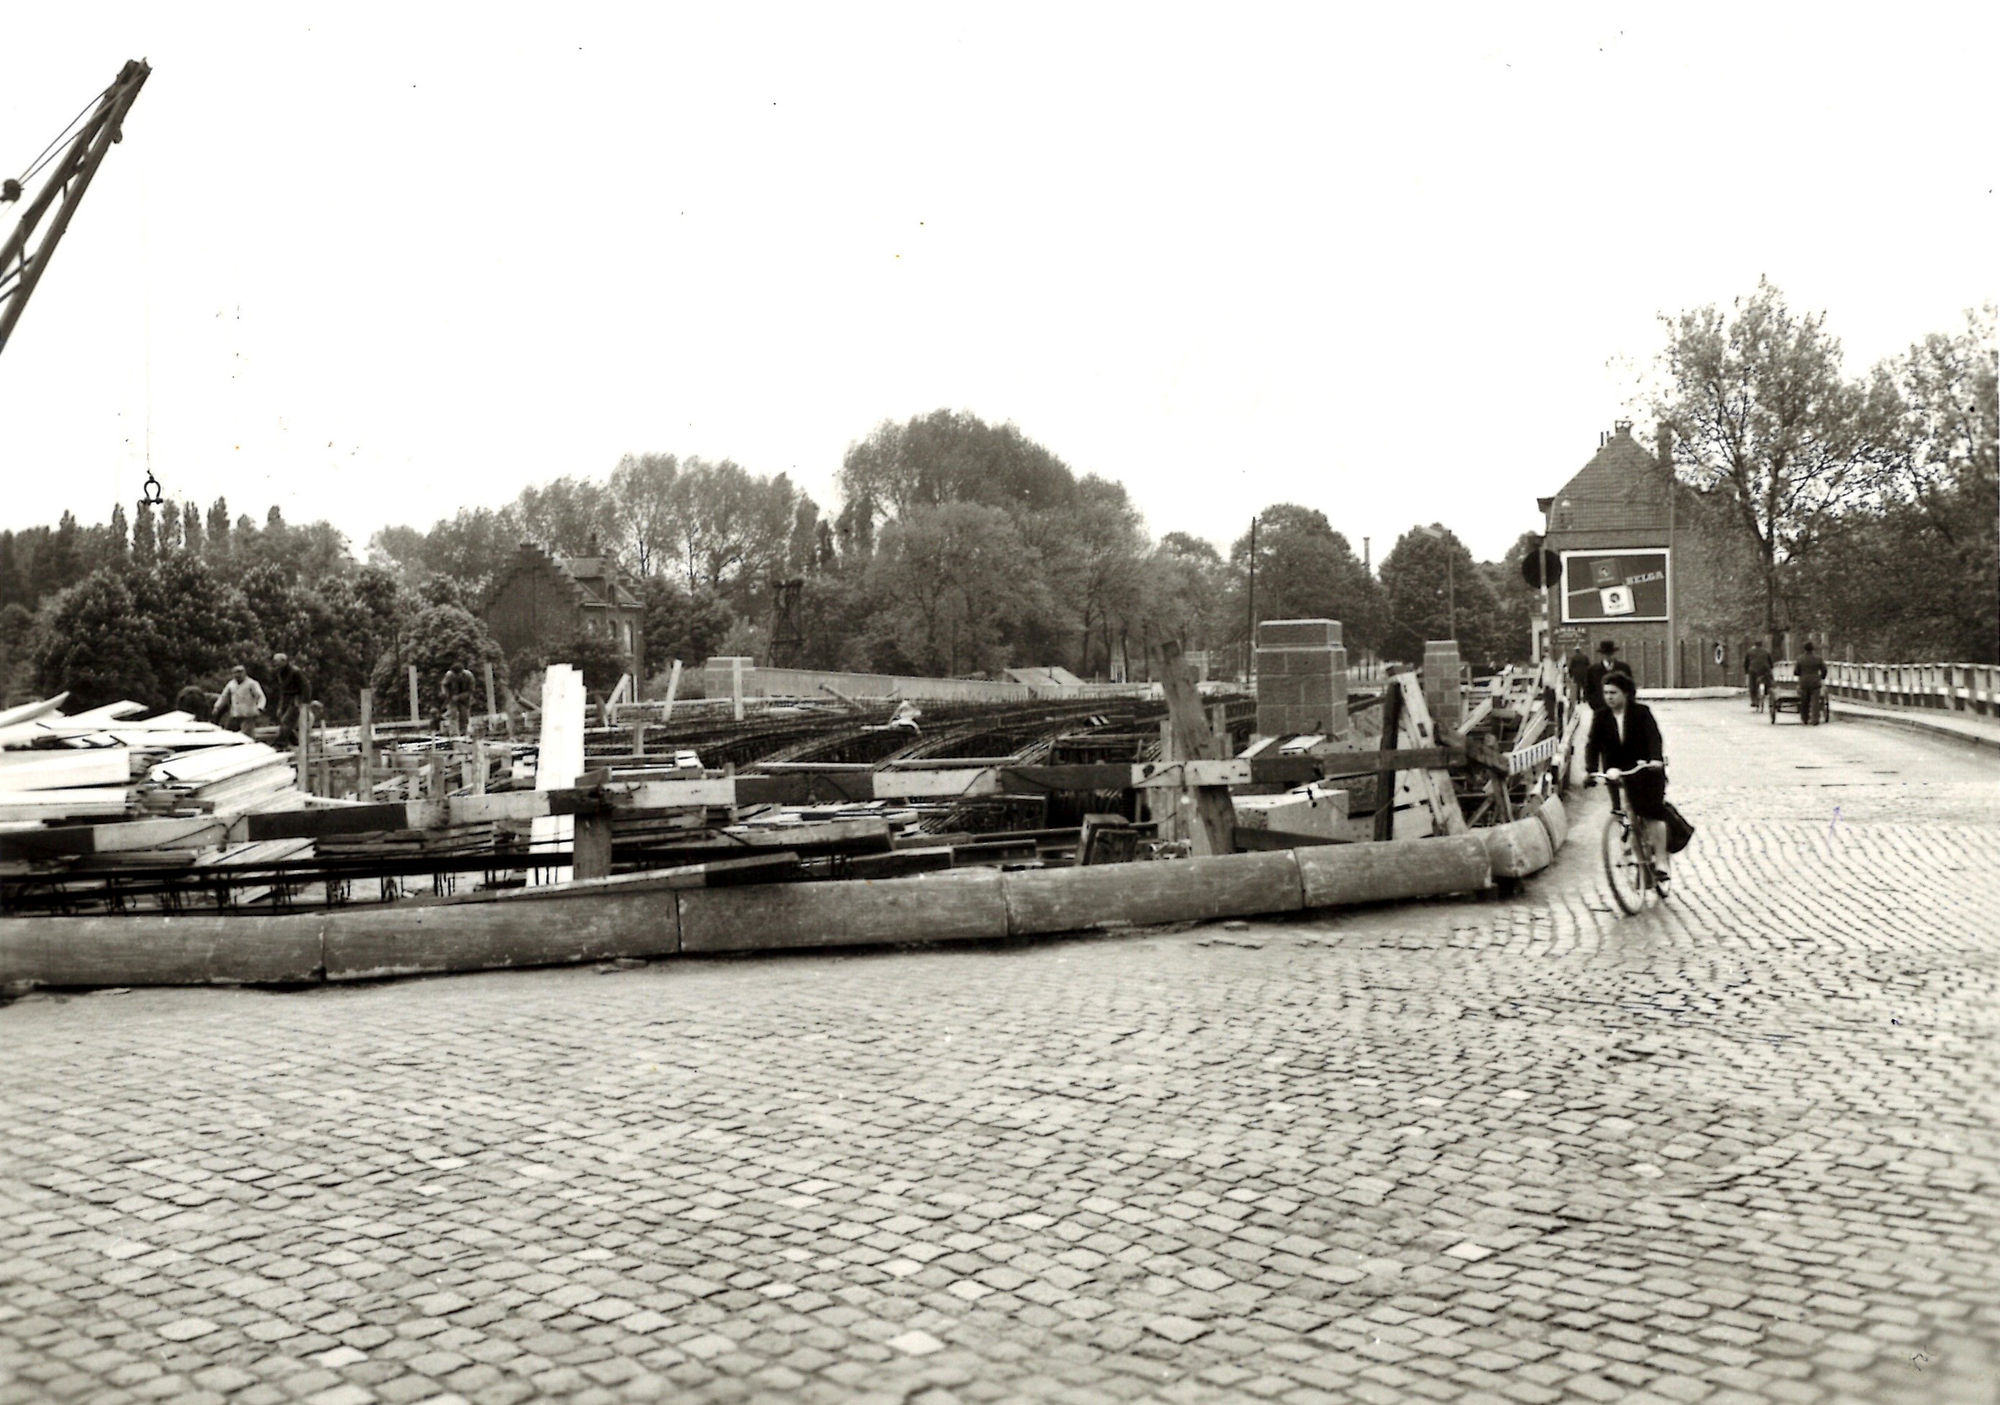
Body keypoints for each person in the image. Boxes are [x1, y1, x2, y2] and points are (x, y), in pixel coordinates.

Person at [1584, 672, 1672, 880]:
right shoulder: (1601, 716)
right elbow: (1592, 745)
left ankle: (1661, 861)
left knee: (1652, 814)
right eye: (1606, 693)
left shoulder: (1641, 713)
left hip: (1644, 770)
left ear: (1626, 693)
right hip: (1616, 772)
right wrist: (1590, 770)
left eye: (1613, 693)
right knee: (1623, 813)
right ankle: (1636, 851)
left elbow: (1654, 738)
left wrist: (1655, 760)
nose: (1609, 697)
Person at [211, 664, 265, 734]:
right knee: (229, 732)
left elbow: (260, 696)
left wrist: (260, 707)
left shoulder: (252, 683)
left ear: (244, 673)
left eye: (240, 672)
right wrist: (217, 707)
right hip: (235, 713)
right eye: (236, 673)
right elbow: (224, 696)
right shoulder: (231, 684)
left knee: (246, 734)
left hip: (248, 714)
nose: (238, 675)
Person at [271, 652, 311, 747]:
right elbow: (282, 689)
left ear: (284, 661)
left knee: (286, 721)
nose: (275, 664)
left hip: (296, 698)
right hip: (286, 698)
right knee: (283, 722)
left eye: (277, 661)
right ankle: (297, 743)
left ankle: (280, 743)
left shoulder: (295, 672)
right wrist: (280, 706)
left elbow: (306, 687)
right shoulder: (279, 673)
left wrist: (304, 702)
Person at [1584, 639, 1629, 715]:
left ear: (1614, 653)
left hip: (1621, 710)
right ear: (1602, 654)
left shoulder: (1623, 668)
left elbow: (1630, 689)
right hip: (1600, 709)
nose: (1608, 656)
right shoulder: (1593, 670)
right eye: (1606, 654)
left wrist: (1625, 704)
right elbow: (1588, 689)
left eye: (1610, 653)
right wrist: (1595, 706)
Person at [440, 660, 477, 736]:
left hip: (465, 699)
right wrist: (447, 694)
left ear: (461, 672)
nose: (455, 676)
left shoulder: (469, 676)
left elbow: (471, 691)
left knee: (464, 716)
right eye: (454, 674)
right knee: (453, 715)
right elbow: (444, 685)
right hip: (452, 698)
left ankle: (464, 733)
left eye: (457, 674)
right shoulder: (449, 675)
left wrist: (459, 697)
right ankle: (454, 734)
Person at [1795, 641, 1828, 725]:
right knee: (1815, 701)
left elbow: (1796, 671)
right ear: (1813, 648)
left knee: (1804, 701)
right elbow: (1824, 669)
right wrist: (1821, 677)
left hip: (1804, 682)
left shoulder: (1800, 659)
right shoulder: (1818, 658)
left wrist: (1800, 674)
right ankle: (1815, 719)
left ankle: (1805, 718)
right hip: (1815, 682)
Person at [1743, 639, 1775, 712]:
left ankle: (1754, 701)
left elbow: (1746, 663)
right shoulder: (1766, 651)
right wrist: (1770, 668)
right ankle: (1768, 691)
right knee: (1769, 681)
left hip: (1753, 670)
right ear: (1762, 644)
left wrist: (1746, 671)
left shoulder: (1749, 652)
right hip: (1764, 670)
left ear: (1755, 645)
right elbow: (1770, 663)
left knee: (1752, 685)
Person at [1565, 645, 1591, 713]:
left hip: (1576, 674)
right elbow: (1588, 665)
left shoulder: (1574, 658)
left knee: (1578, 686)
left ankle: (1578, 699)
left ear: (1576, 651)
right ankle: (1585, 698)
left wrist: (1570, 674)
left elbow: (1571, 666)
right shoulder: (1585, 657)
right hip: (1584, 673)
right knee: (1585, 686)